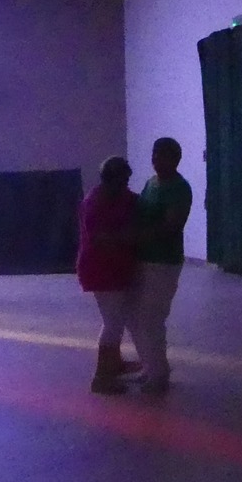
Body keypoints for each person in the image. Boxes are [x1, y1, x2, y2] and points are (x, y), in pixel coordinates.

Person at [131, 136, 193, 396]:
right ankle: (151, 365)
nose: (156, 160)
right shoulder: (151, 183)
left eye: (162, 155)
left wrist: (134, 237)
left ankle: (158, 374)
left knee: (152, 318)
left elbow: (171, 226)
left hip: (164, 261)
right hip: (143, 259)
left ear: (175, 159)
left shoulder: (179, 189)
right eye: (154, 154)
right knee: (137, 316)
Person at [77, 156, 142, 394]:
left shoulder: (121, 197)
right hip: (100, 269)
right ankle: (101, 377)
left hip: (115, 268)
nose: (125, 185)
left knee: (116, 320)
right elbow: (99, 239)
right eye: (122, 181)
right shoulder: (93, 203)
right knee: (113, 322)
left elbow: (135, 202)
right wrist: (129, 237)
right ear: (109, 180)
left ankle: (114, 363)